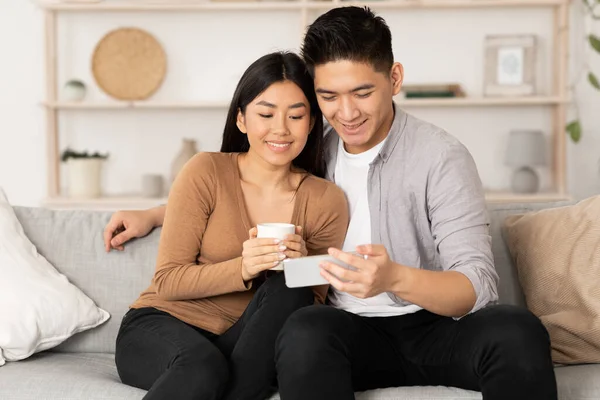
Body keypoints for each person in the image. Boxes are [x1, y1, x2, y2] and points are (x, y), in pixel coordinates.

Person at [105, 7, 557, 400]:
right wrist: (156, 214)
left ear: (394, 78)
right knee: (304, 326)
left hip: (433, 329)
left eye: (362, 92)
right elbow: (245, 183)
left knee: (516, 330)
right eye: (328, 97)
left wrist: (394, 277)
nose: (347, 112)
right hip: (345, 333)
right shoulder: (311, 145)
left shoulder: (440, 157)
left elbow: (478, 286)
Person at [110, 51, 349, 400]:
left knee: (292, 289)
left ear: (312, 122)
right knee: (202, 367)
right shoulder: (206, 171)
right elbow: (167, 281)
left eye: (296, 115)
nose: (280, 129)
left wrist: (300, 267)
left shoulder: (326, 200)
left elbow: (307, 311)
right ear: (241, 119)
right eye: (265, 114)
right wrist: (244, 268)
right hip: (161, 327)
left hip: (242, 346)